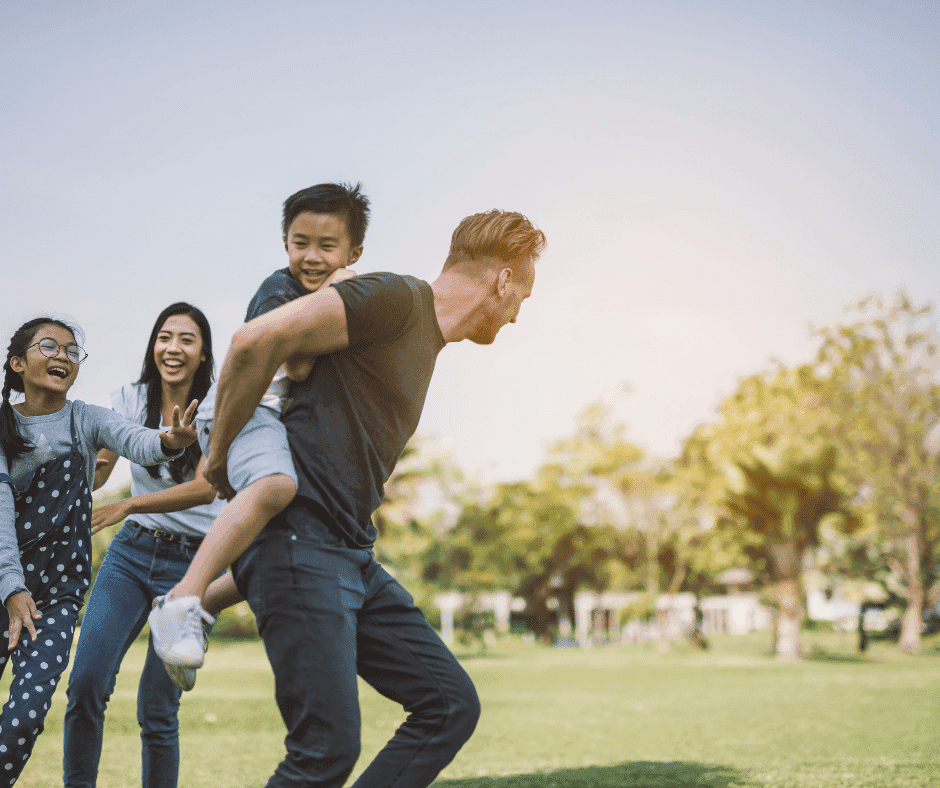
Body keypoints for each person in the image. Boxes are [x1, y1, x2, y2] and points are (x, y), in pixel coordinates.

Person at [199, 208, 545, 788]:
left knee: (448, 704)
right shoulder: (396, 299)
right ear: (503, 279)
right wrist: (218, 455)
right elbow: (255, 338)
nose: (516, 317)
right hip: (301, 540)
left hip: (351, 555)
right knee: (325, 751)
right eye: (523, 298)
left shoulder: (425, 339)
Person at [148, 183, 366, 673]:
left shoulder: (327, 295)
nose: (310, 257)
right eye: (299, 242)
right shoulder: (279, 290)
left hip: (269, 419)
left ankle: (200, 608)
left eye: (326, 247)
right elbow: (301, 366)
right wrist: (334, 291)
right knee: (275, 485)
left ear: (353, 251)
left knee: (287, 545)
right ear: (284, 242)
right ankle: (183, 598)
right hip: (244, 410)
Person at [0, 317, 197, 784]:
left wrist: (169, 442)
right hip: (5, 581)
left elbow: (135, 439)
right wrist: (11, 586)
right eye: (49, 346)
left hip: (54, 599)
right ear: (17, 362)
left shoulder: (85, 418)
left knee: (26, 718)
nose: (63, 356)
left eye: (72, 351)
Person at [62, 303, 227, 788]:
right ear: (153, 346)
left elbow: (207, 488)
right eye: (164, 337)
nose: (173, 348)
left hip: (195, 566)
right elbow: (101, 470)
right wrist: (65, 462)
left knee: (158, 707)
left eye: (187, 339)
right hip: (132, 555)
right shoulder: (130, 401)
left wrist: (130, 506)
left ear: (203, 353)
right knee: (85, 684)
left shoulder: (220, 403)